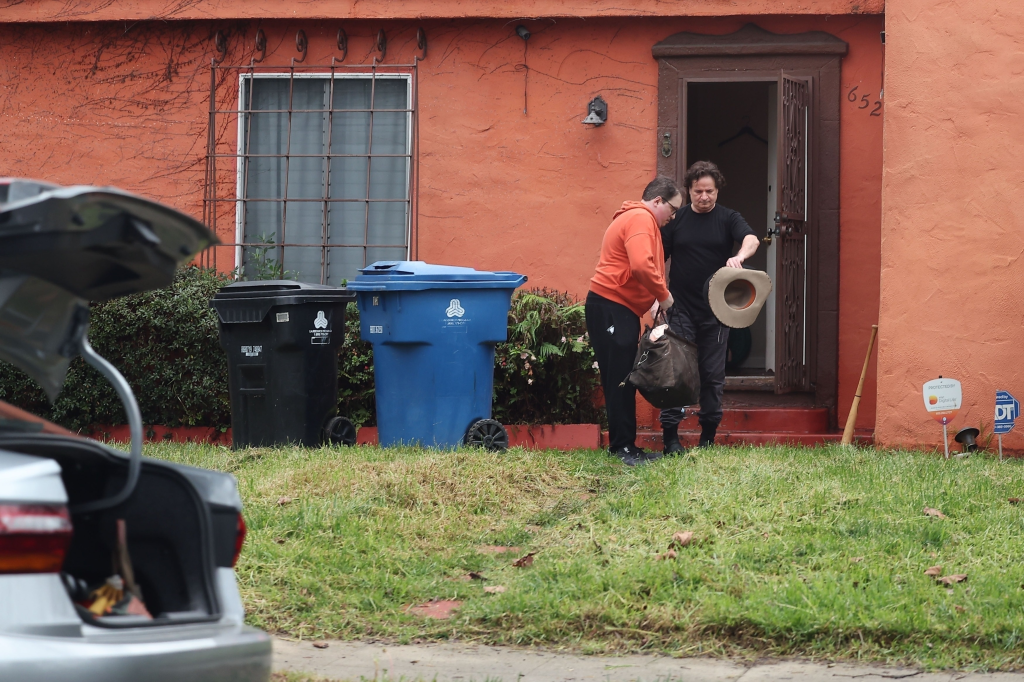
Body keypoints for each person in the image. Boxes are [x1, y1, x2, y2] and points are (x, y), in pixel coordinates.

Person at [660, 161, 759, 453]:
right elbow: (656, 258)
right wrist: (657, 298)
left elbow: (751, 239)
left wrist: (739, 256)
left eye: (710, 191)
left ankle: (707, 440)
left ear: (717, 190)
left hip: (717, 312)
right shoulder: (676, 220)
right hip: (680, 309)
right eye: (698, 191)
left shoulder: (728, 218)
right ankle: (671, 439)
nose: (704, 197)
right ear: (689, 190)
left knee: (713, 376)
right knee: (677, 373)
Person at [586, 176, 681, 466]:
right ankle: (623, 448)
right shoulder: (641, 218)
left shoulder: (637, 218)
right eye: (673, 210)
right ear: (657, 202)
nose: (673, 217)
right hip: (612, 307)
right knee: (620, 379)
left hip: (616, 307)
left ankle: (625, 446)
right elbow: (641, 265)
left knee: (622, 377)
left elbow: (633, 266)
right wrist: (663, 296)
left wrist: (651, 301)